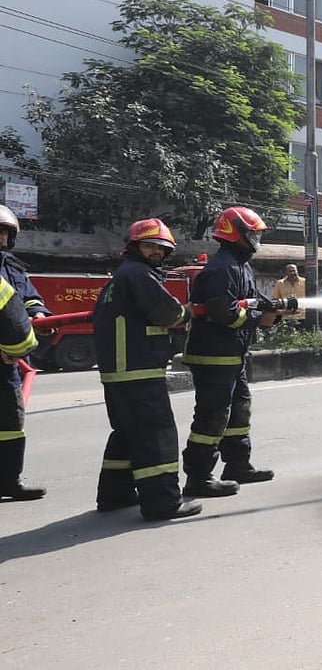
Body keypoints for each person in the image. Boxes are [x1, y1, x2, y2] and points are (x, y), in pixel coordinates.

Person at [93, 219, 202, 521]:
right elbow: (167, 312)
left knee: (127, 433)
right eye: (149, 245)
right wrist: (187, 312)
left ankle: (115, 495)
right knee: (156, 435)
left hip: (119, 372)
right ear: (134, 247)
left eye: (161, 248)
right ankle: (163, 503)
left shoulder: (121, 276)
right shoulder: (138, 274)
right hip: (138, 369)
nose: (156, 251)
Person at [180, 205, 277, 496]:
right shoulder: (222, 268)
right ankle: (199, 477)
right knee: (213, 414)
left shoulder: (240, 265)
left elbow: (250, 301)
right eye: (253, 234)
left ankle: (237, 465)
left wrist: (271, 310)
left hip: (233, 354)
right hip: (213, 355)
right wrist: (260, 319)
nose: (257, 239)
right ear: (237, 233)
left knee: (239, 411)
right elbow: (223, 311)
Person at [0, 205, 50, 501]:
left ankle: (8, 481)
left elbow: (29, 298)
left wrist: (40, 315)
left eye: (4, 232)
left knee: (10, 424)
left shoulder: (13, 267)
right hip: (7, 352)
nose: (0, 236)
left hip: (10, 362)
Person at [270, 264, 306, 328]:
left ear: (297, 271)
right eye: (290, 271)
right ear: (286, 272)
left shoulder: (305, 282)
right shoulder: (280, 283)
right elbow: (275, 299)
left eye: (294, 271)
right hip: (286, 318)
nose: (292, 273)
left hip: (303, 317)